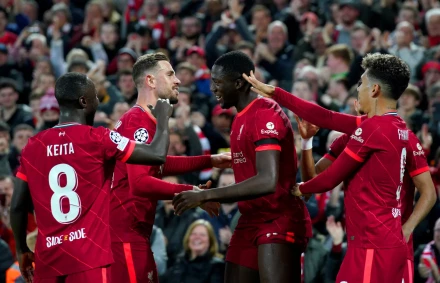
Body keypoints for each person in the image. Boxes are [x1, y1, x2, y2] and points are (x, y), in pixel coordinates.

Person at [245, 53, 436, 282]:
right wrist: (406, 230)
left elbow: (327, 180)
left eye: (361, 84)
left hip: (372, 246)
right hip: (392, 247)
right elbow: (324, 117)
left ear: (374, 90)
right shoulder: (404, 133)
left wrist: (295, 190)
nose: (358, 90)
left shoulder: (371, 130)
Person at [10, 72, 173, 283]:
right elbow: (157, 155)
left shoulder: (33, 146)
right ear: (83, 101)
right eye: (95, 96)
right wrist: (163, 119)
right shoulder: (98, 139)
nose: (98, 101)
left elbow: (17, 207)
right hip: (89, 260)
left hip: (48, 260)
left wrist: (22, 249)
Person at [173, 51, 312, 283]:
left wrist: (208, 194)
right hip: (249, 217)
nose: (213, 89)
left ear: (238, 83)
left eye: (218, 83)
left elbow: (267, 181)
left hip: (279, 216)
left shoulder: (265, 113)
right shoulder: (239, 119)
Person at [109, 52, 229, 283]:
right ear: (151, 81)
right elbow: (141, 182)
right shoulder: (137, 121)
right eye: (170, 74)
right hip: (124, 234)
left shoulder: (140, 120)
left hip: (132, 232)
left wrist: (209, 160)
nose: (178, 80)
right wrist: (197, 193)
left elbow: (156, 167)